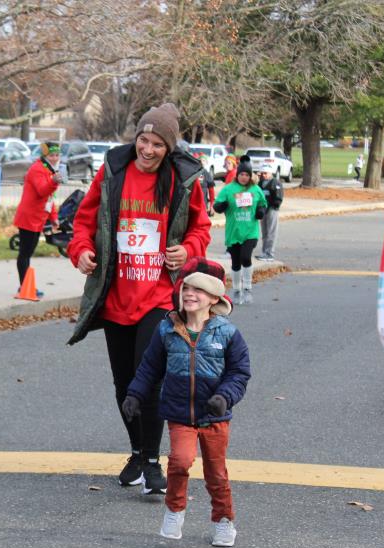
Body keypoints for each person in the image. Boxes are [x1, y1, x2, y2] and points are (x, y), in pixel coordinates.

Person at [66, 102, 212, 495]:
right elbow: (85, 220)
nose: (148, 150)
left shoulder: (183, 181)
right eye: (143, 141)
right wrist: (81, 251)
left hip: (158, 296)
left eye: (157, 144)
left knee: (149, 379)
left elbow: (201, 227)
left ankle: (151, 460)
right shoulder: (113, 172)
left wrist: (188, 251)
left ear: (169, 148)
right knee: (124, 383)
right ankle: (136, 452)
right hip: (116, 294)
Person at [122, 257, 250, 546]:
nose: (190, 294)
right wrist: (134, 394)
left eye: (199, 290)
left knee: (216, 473)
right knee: (179, 462)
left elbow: (239, 373)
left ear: (214, 298)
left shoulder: (227, 333)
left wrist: (224, 397)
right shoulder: (167, 330)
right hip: (180, 413)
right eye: (186, 289)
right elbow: (149, 367)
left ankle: (223, 520)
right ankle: (174, 511)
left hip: (215, 415)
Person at [12, 141, 62, 296]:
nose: (55, 158)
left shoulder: (49, 170)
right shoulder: (37, 169)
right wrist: (53, 182)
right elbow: (42, 191)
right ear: (45, 155)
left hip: (38, 218)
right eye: (51, 155)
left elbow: (50, 198)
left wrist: (54, 217)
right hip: (29, 217)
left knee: (27, 253)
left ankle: (25, 286)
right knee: (25, 254)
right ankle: (25, 287)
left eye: (57, 155)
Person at [213, 159, 267, 304]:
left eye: (247, 175)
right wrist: (221, 206)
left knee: (245, 257)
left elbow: (263, 203)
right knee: (236, 262)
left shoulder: (255, 189)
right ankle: (237, 290)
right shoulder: (229, 189)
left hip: (250, 231)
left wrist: (261, 211)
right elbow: (217, 205)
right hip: (234, 232)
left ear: (250, 176)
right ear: (237, 175)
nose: (244, 177)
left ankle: (248, 288)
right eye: (241, 174)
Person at [256, 164, 283, 261]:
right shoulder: (260, 183)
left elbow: (278, 197)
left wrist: (274, 205)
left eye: (265, 173)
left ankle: (270, 253)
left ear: (270, 173)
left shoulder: (275, 183)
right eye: (262, 173)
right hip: (263, 209)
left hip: (272, 209)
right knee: (265, 232)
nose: (264, 175)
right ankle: (264, 252)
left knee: (271, 232)